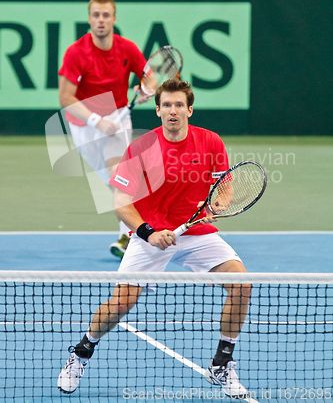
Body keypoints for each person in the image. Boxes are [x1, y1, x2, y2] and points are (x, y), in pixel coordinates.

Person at [57, 79, 252, 400]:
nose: (173, 111)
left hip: (196, 232)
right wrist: (148, 231)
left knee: (242, 284)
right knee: (121, 303)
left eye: (179, 105)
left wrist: (219, 203)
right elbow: (120, 201)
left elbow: (224, 186)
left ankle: (222, 363)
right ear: (158, 110)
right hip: (151, 234)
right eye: (167, 105)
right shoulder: (142, 148)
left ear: (189, 109)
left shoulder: (211, 142)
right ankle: (82, 351)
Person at [58, 0, 151, 259]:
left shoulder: (127, 48)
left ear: (114, 18)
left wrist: (146, 90)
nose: (101, 20)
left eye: (106, 15)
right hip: (84, 124)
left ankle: (129, 236)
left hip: (119, 116)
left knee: (120, 176)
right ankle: (130, 230)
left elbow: (150, 77)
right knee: (110, 182)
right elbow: (65, 98)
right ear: (89, 19)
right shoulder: (76, 52)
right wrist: (97, 121)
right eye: (96, 15)